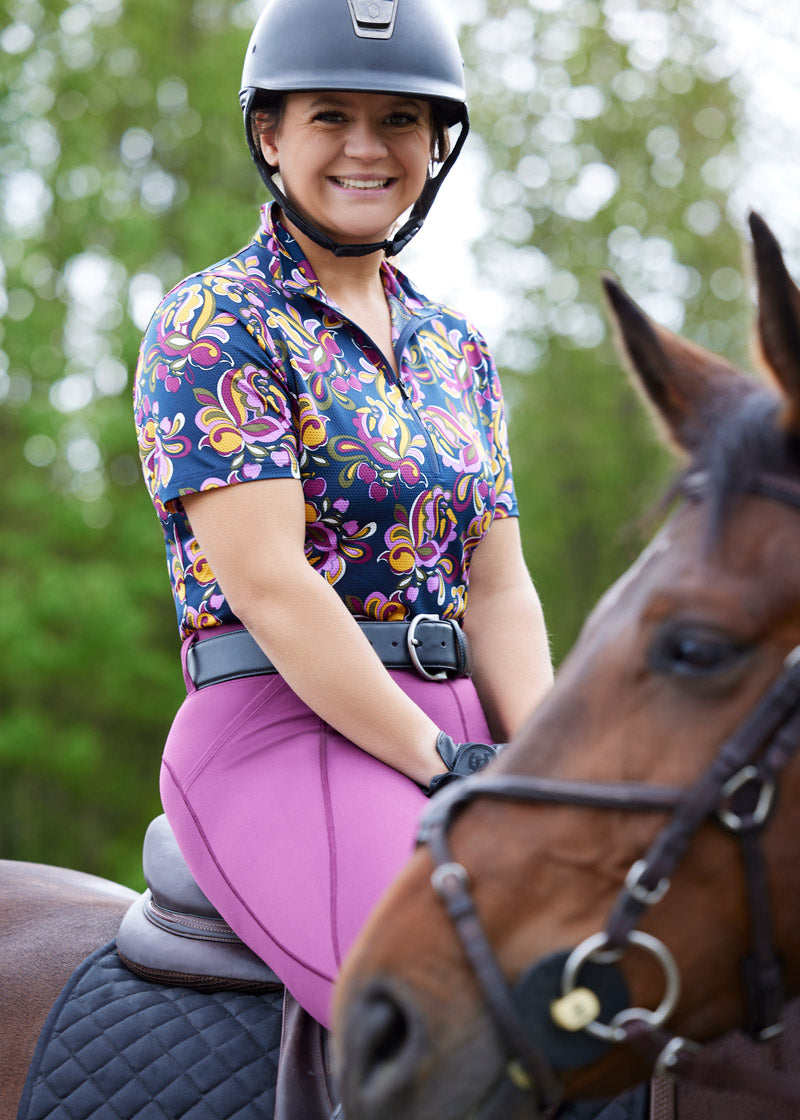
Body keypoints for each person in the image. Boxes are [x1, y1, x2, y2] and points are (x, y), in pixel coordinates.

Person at [133, 0, 553, 1031]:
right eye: (331, 115)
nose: (367, 148)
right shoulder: (214, 321)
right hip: (281, 726)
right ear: (270, 134)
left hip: (461, 731)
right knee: (445, 1017)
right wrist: (435, 762)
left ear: (434, 144)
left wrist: (547, 762)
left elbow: (497, 584)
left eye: (399, 120)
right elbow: (271, 585)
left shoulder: (457, 347)